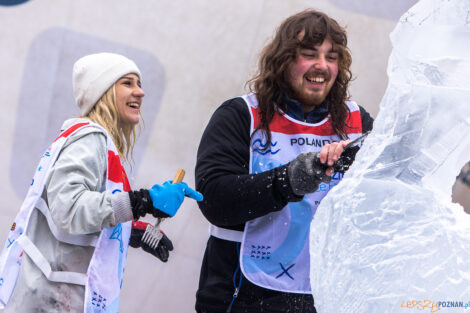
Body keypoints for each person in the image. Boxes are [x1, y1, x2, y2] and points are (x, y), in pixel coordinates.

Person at [195, 9, 374, 313]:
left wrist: (359, 170)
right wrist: (289, 180)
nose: (322, 66)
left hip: (322, 297)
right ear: (284, 60)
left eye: (332, 57)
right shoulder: (241, 114)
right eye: (309, 54)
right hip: (241, 295)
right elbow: (214, 199)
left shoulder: (357, 121)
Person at [0, 52, 203, 313]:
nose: (140, 92)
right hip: (49, 303)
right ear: (102, 91)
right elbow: (68, 209)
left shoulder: (91, 139)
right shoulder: (90, 139)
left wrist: (132, 232)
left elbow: (71, 220)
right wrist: (143, 201)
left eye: (139, 84)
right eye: (128, 83)